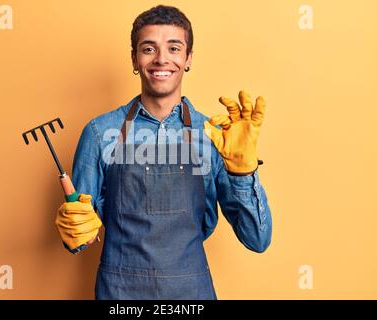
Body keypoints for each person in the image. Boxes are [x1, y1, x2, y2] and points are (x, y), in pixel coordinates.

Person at [55, 5, 272, 300]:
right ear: (134, 58)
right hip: (120, 296)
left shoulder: (216, 136)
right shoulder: (99, 132)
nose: (161, 59)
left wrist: (244, 173)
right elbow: (79, 236)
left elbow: (257, 239)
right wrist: (73, 228)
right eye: (148, 48)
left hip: (191, 294)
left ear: (188, 59)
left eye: (174, 47)